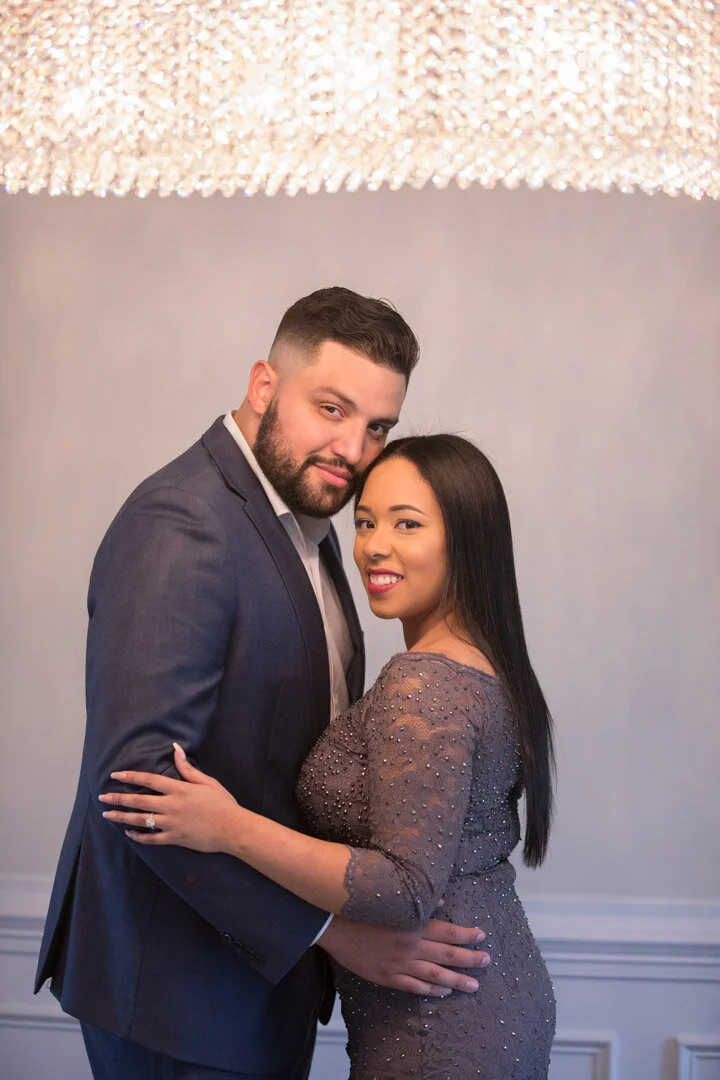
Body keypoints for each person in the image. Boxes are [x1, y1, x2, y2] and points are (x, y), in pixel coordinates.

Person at [35, 288, 491, 1080]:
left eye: (377, 426)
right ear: (263, 386)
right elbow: (138, 790)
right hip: (177, 997)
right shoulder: (184, 523)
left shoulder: (311, 528)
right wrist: (332, 932)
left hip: (259, 987)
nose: (353, 448)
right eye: (332, 409)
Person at [100, 433, 557, 1080]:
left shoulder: (424, 682)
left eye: (407, 524)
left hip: (439, 1022)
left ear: (466, 539)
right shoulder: (478, 664)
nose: (374, 545)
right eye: (366, 522)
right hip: (484, 993)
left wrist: (229, 827)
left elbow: (403, 890)